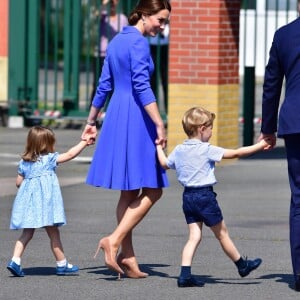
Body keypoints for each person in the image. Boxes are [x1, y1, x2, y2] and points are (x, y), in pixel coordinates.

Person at [81, 0, 171, 278]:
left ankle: (128, 257)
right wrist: (159, 123)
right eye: (160, 20)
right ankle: (115, 239)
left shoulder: (118, 40)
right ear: (145, 15)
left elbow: (104, 84)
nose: (162, 26)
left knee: (129, 191)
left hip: (117, 114)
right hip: (136, 117)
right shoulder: (139, 43)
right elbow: (142, 87)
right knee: (153, 189)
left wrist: (91, 121)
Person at [156, 107, 270, 287]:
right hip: (205, 197)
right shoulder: (206, 149)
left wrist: (158, 147)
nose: (211, 132)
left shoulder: (179, 150)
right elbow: (236, 153)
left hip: (188, 197)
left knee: (194, 236)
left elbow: (163, 164)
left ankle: (185, 275)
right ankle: (242, 265)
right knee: (222, 234)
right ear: (202, 128)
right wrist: (262, 145)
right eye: (210, 128)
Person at [7, 126, 93, 277]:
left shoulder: (24, 162)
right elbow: (71, 154)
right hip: (46, 205)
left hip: (30, 204)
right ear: (47, 144)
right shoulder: (50, 159)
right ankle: (62, 264)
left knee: (26, 233)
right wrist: (84, 142)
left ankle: (15, 260)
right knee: (54, 234)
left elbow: (18, 182)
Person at [258, 0, 300, 292]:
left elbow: (271, 84)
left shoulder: (284, 35)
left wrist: (267, 129)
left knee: (299, 198)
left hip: (295, 122)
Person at [90, 0, 128, 102]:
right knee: (98, 84)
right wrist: (104, 4)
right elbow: (94, 18)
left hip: (117, 56)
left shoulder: (123, 19)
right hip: (101, 54)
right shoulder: (103, 17)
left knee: (115, 85)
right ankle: (93, 111)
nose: (112, 2)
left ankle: (112, 110)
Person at [149, 23, 169, 112]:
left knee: (166, 80)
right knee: (152, 81)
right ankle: (153, 110)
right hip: (152, 45)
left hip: (165, 45)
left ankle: (167, 111)